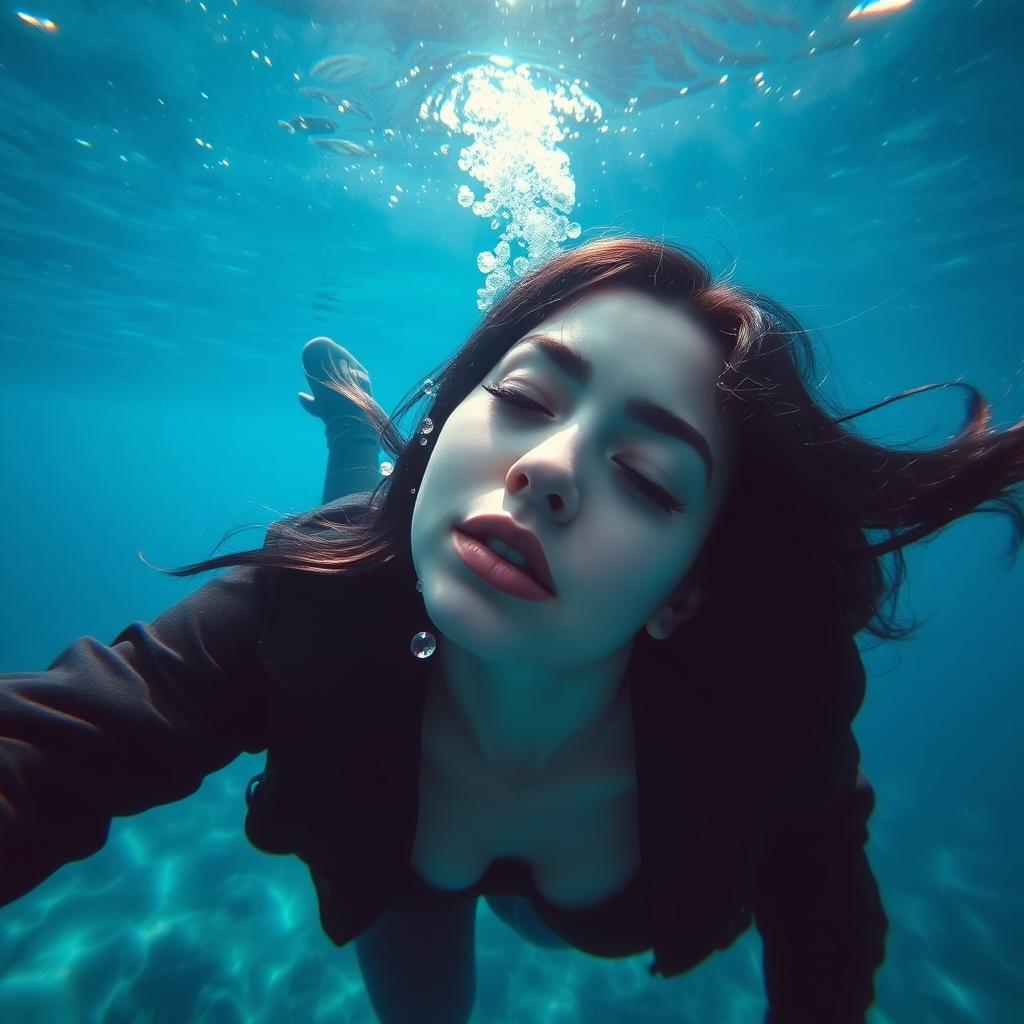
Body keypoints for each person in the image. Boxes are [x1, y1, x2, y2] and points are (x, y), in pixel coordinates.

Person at [2, 238, 1023, 1024]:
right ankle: (363, 440)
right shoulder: (302, 602)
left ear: (687, 589)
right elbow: (52, 745)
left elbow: (825, 921)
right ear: (448, 422)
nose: (548, 466)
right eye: (525, 398)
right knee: (360, 537)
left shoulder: (767, 708)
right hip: (390, 682)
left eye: (644, 476)